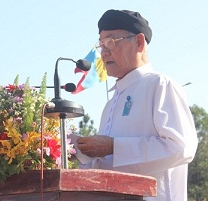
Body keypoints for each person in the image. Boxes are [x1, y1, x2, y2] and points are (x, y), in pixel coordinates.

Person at [76, 9, 198, 201]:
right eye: (101, 44)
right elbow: (109, 166)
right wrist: (80, 153)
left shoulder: (160, 85)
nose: (104, 52)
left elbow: (182, 148)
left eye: (111, 42)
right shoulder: (111, 103)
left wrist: (114, 147)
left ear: (139, 42)